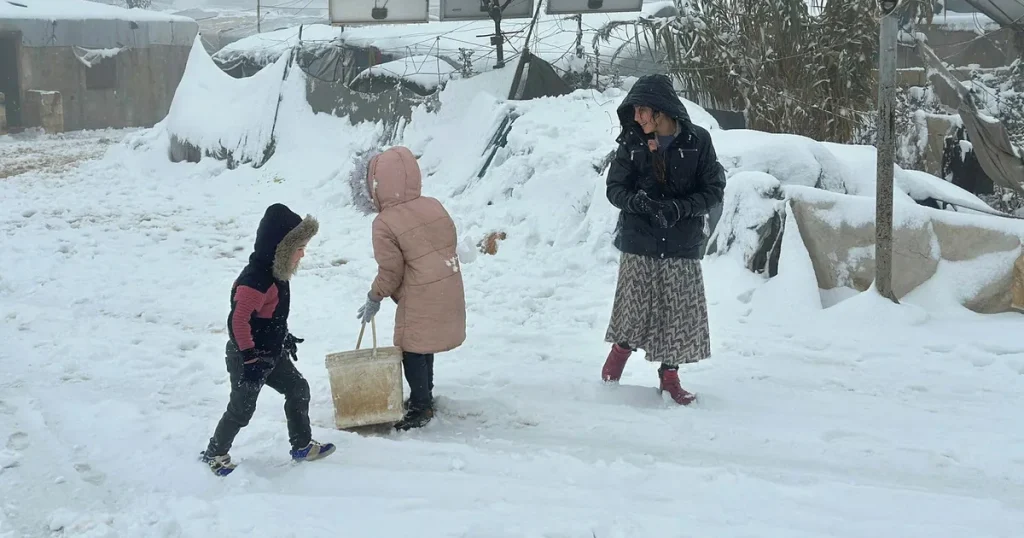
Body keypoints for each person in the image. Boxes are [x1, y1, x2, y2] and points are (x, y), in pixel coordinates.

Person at [600, 74, 726, 405]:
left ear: (661, 110)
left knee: (678, 314)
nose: (637, 117)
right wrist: (637, 202)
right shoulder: (632, 142)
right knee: (633, 308)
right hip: (639, 239)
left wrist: (680, 208)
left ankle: (670, 378)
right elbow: (615, 189)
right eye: (634, 110)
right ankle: (617, 357)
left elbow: (713, 189)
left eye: (642, 110)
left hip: (682, 242)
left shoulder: (698, 140)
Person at [201, 203, 335, 476]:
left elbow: (269, 316)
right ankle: (214, 453)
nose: (303, 253)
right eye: (299, 248)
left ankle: (301, 445)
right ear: (281, 249)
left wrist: (282, 336)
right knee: (241, 410)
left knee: (298, 389)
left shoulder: (276, 274)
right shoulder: (256, 282)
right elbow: (238, 322)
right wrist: (250, 358)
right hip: (247, 357)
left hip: (270, 354)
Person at [350, 146, 467, 431]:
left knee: (410, 347)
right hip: (447, 284)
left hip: (419, 292)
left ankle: (420, 406)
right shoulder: (433, 205)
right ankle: (424, 395)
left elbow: (391, 271)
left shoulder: (385, 222)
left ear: (374, 186)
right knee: (424, 343)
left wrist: (375, 296)